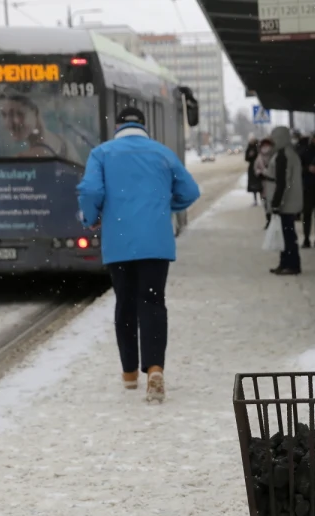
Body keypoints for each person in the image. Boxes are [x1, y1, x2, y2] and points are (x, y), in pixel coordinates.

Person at [77, 106, 200, 403]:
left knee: (126, 303)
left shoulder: (102, 153)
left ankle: (130, 372)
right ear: (144, 127)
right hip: (156, 242)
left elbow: (91, 190)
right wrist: (163, 208)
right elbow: (191, 191)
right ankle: (155, 368)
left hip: (119, 242)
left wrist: (91, 218)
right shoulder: (162, 153)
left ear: (117, 126)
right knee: (153, 302)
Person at [0, 85, 86, 163]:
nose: (9, 123)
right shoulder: (65, 144)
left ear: (35, 111)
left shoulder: (22, 161)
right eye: (4, 115)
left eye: (19, 114)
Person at [268, 125, 303, 276]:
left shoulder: (283, 155)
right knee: (287, 234)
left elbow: (282, 182)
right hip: (289, 201)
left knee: (287, 235)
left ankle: (291, 265)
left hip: (285, 203)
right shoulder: (290, 153)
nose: (273, 142)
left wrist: (276, 203)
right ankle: (285, 263)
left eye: (274, 138)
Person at [254, 138, 276, 229]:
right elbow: (255, 169)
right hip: (263, 184)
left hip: (273, 183)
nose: (265, 148)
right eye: (264, 146)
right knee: (265, 203)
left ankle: (273, 220)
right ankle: (268, 220)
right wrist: (259, 173)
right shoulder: (259, 158)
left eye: (267, 145)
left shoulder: (274, 156)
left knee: (272, 202)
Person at [245, 136, 262, 205]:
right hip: (252, 168)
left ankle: (262, 199)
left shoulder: (258, 147)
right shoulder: (249, 148)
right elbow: (246, 158)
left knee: (261, 184)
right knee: (253, 185)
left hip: (259, 166)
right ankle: (255, 200)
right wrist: (249, 156)